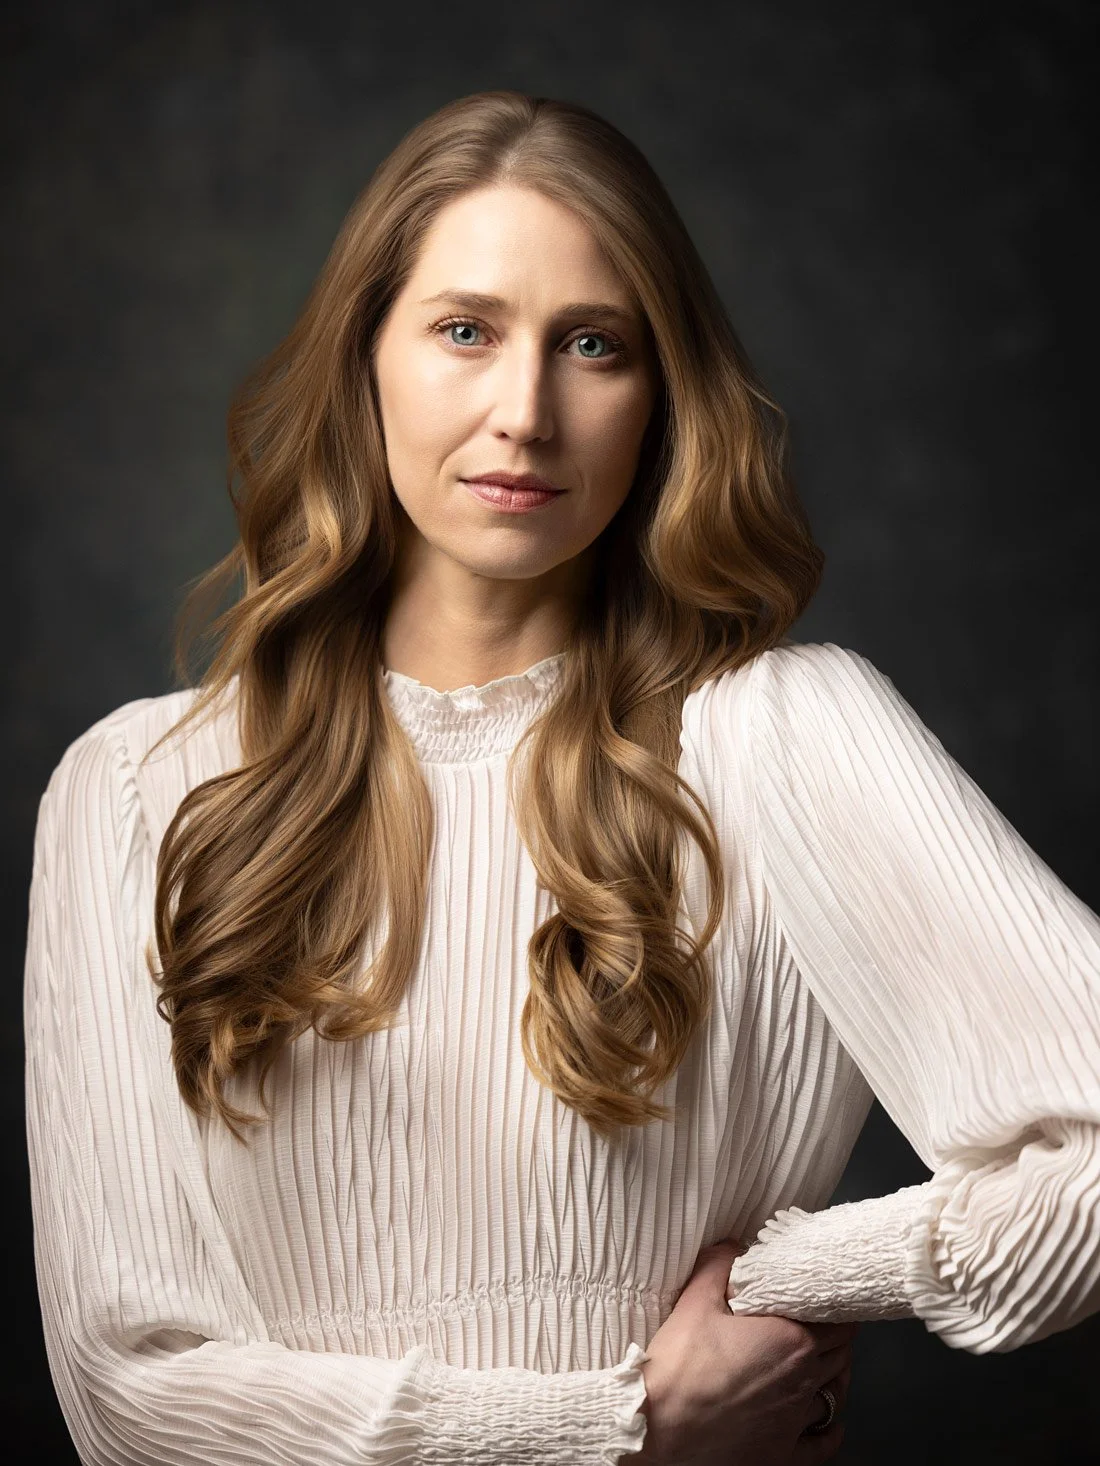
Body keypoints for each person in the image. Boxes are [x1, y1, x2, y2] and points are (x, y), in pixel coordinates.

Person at [23, 89, 1099, 1466]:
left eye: (594, 345)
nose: (524, 412)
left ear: (661, 397)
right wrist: (620, 1427)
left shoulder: (784, 737)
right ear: (368, 357)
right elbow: (127, 1394)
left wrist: (791, 1276)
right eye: (465, 330)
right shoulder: (131, 790)